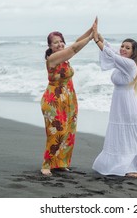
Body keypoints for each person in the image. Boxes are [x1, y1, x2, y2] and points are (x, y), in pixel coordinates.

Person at [40, 18, 96, 176]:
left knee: (69, 132)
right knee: (56, 132)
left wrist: (91, 30)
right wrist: (91, 38)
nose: (59, 44)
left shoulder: (64, 57)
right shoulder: (52, 59)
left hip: (69, 100)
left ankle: (60, 163)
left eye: (61, 41)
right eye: (55, 42)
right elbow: (74, 49)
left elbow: (76, 43)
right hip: (53, 101)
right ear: (50, 47)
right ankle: (47, 164)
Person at [91, 19, 137, 178]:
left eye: (127, 48)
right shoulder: (124, 61)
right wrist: (99, 36)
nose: (123, 49)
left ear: (133, 52)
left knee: (130, 136)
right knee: (121, 136)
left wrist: (96, 40)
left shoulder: (129, 65)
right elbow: (112, 51)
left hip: (129, 107)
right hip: (120, 105)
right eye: (122, 45)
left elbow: (111, 55)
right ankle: (126, 166)